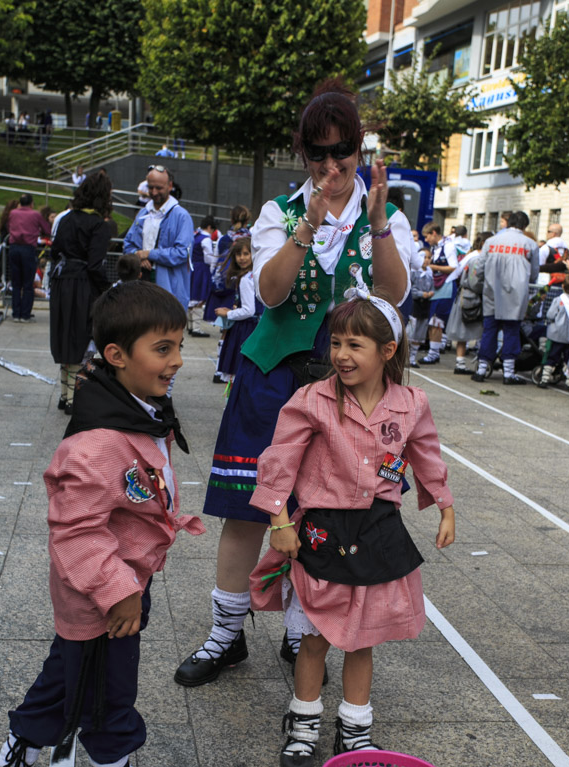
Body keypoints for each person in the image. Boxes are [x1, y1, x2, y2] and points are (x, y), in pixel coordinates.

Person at [174, 78, 412, 688]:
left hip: (347, 385)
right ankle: (225, 634)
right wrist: (307, 226)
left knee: (326, 512)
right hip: (274, 377)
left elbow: (392, 296)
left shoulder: (385, 214)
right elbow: (271, 293)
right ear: (303, 154)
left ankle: (301, 629)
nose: (332, 166)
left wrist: (379, 226)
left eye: (343, 151)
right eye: (319, 153)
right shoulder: (279, 213)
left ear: (359, 149)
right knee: (248, 508)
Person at [0, 282, 203, 767]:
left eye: (178, 346)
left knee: (65, 680)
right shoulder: (97, 442)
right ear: (117, 355)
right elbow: (76, 528)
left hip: (117, 585)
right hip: (103, 596)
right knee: (107, 696)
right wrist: (119, 592)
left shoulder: (135, 408)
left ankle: (9, 764)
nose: (177, 360)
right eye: (163, 349)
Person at [246, 289, 454, 767]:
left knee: (363, 640)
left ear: (387, 350)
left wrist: (445, 505)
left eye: (355, 345)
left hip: (379, 530)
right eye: (336, 342)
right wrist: (279, 521)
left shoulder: (411, 403)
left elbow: (426, 453)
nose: (340, 354)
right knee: (315, 637)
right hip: (323, 531)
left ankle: (355, 731)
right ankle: (303, 725)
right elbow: (280, 459)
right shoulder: (312, 398)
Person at [50, 173, 113, 413]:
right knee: (80, 339)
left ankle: (64, 395)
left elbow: (55, 251)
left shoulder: (66, 219)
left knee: (66, 338)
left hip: (61, 283)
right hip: (82, 286)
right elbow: (95, 265)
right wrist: (107, 289)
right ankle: (73, 399)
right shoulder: (99, 225)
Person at [471, 211, 540, 384]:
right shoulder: (530, 244)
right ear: (525, 226)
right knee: (511, 331)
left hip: (491, 291)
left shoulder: (491, 242)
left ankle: (481, 369)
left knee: (489, 330)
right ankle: (508, 373)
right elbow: (534, 274)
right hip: (516, 294)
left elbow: (480, 268)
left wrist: (480, 284)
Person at [123, 165, 194, 313]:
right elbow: (128, 244)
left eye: (159, 188)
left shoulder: (181, 216)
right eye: (151, 187)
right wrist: (138, 256)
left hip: (168, 291)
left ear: (170, 186)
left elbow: (182, 253)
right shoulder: (143, 213)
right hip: (140, 285)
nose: (154, 192)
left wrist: (149, 254)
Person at [214, 236, 263, 383]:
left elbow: (248, 310)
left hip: (245, 329)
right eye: (238, 254)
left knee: (237, 373)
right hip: (257, 327)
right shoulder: (256, 274)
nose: (242, 258)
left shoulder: (246, 279)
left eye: (246, 254)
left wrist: (228, 313)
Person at [446, 231, 493, 374]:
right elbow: (474, 282)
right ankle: (461, 363)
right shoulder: (477, 259)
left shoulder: (473, 256)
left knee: (466, 331)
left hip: (468, 297)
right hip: (470, 299)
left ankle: (465, 362)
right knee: (464, 330)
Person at [202, 205, 252, 323]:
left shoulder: (223, 239)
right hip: (243, 284)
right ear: (247, 221)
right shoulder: (252, 239)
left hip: (224, 283)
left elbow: (214, 263)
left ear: (231, 220)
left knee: (223, 321)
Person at [7, 193, 51, 322]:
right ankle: (25, 314)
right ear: (31, 203)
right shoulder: (35, 214)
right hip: (28, 248)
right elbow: (47, 230)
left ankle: (16, 313)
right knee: (27, 283)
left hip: (14, 247)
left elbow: (9, 226)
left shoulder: (13, 213)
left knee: (16, 283)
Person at [419, 222, 458, 364]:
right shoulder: (435, 247)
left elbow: (454, 267)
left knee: (437, 321)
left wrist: (432, 267)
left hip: (446, 286)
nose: (426, 240)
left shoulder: (448, 246)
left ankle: (433, 353)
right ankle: (434, 352)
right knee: (432, 322)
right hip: (436, 287)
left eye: (427, 236)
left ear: (434, 233)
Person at [538, 275, 569, 388]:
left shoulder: (559, 300)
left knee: (552, 356)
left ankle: (545, 378)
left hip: (557, 334)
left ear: (563, 286)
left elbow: (550, 315)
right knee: (568, 359)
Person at [188, 215, 217, 336]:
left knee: (193, 297)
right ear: (209, 227)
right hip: (202, 270)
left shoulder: (196, 236)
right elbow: (208, 257)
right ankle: (196, 328)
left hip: (194, 268)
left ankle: (191, 326)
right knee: (199, 298)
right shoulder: (206, 239)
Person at [406, 247, 433, 368]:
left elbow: (432, 287)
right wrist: (422, 294)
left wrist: (430, 293)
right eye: (424, 257)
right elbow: (410, 288)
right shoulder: (414, 272)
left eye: (429, 257)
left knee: (420, 333)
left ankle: (412, 358)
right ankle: (405, 356)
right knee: (411, 331)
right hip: (415, 305)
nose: (426, 260)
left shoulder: (429, 273)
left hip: (425, 306)